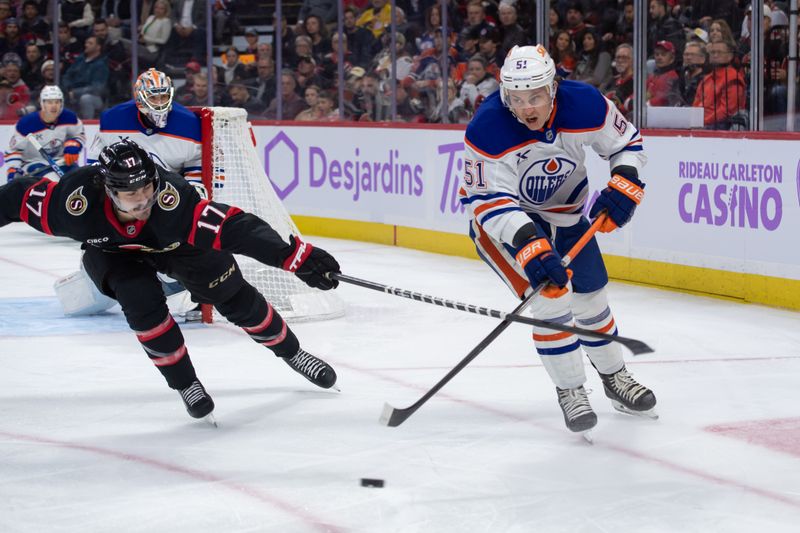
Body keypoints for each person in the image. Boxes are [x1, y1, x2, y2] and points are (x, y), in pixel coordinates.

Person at [0, 140, 342, 421]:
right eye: (132, 194)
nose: (143, 199)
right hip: (113, 254)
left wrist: (291, 256)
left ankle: (292, 353)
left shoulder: (172, 200)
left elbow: (233, 227)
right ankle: (186, 383)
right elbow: (14, 198)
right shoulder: (72, 205)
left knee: (230, 292)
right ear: (108, 189)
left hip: (175, 245)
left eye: (147, 187)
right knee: (139, 301)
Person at [460, 45, 656, 435]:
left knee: (593, 298)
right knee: (553, 301)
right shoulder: (487, 127)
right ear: (505, 95)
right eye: (517, 99)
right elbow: (488, 201)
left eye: (535, 96)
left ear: (553, 87)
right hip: (504, 225)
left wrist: (625, 183)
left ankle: (615, 378)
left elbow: (626, 144)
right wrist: (530, 246)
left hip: (566, 216)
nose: (527, 107)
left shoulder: (583, 103)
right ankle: (570, 390)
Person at [87, 68, 202, 189]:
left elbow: (195, 169)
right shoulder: (113, 119)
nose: (159, 104)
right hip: (123, 192)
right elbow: (94, 164)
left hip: (170, 194)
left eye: (163, 96)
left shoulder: (189, 123)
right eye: (153, 98)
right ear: (139, 99)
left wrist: (190, 195)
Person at [4, 85, 85, 182]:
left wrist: (74, 145)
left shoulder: (69, 117)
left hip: (61, 161)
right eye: (49, 102)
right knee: (53, 182)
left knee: (80, 180)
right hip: (34, 163)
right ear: (42, 103)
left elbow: (78, 134)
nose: (54, 106)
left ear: (62, 103)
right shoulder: (26, 124)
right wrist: (14, 169)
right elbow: (14, 150)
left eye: (57, 102)